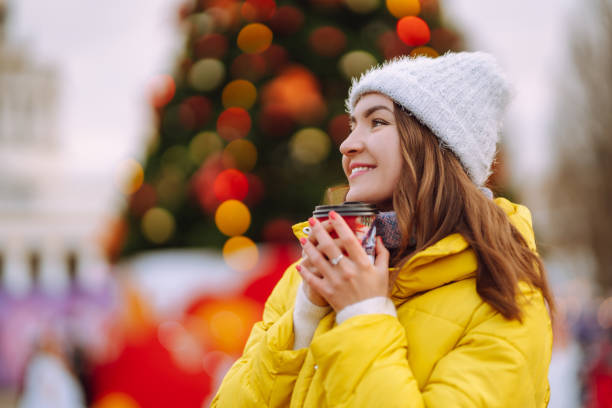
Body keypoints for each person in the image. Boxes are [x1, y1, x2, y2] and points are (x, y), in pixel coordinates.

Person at [211, 51, 555, 407]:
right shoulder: (311, 277)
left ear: (434, 144)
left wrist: (362, 313)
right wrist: (305, 317)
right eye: (352, 125)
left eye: (377, 122)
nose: (347, 145)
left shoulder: (504, 297)